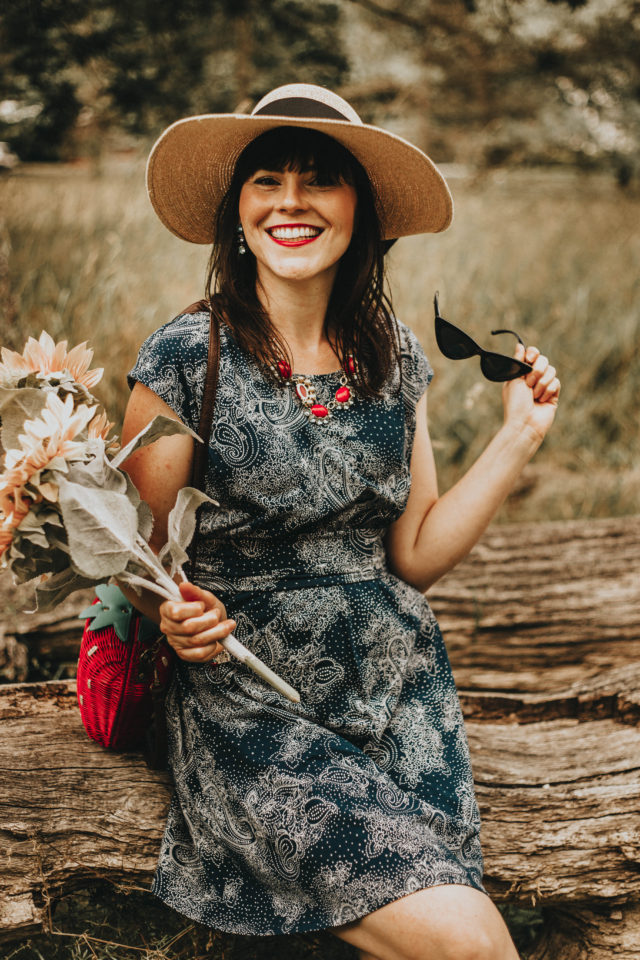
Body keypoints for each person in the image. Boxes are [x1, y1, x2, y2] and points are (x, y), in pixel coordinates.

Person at [122, 83, 560, 960]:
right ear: (236, 212)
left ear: (359, 209)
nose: (291, 201)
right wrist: (172, 614)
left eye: (319, 179)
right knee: (469, 942)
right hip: (253, 699)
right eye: (266, 180)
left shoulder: (391, 352)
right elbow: (134, 556)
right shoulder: (185, 356)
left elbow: (415, 552)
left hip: (398, 691)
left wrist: (520, 438)